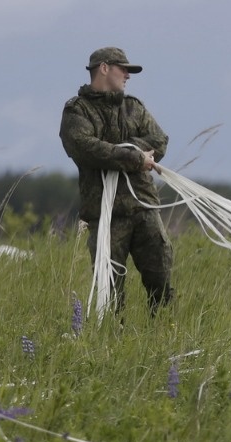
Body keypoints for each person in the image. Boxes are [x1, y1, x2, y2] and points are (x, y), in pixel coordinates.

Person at [59, 46, 174, 317]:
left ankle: (161, 333)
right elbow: (84, 147)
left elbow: (159, 141)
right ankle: (111, 342)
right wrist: (134, 158)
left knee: (161, 277)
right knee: (108, 289)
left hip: (144, 206)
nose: (128, 76)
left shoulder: (133, 107)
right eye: (124, 69)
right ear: (104, 68)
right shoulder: (77, 112)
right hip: (105, 213)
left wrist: (123, 149)